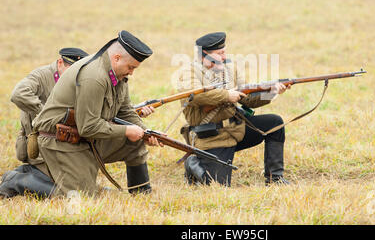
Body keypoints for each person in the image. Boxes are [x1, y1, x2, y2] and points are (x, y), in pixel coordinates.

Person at [26, 31, 159, 197]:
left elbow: (125, 111)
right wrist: (127, 131)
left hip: (83, 138)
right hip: (60, 140)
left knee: (135, 142)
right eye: (130, 67)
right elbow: (87, 127)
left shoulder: (117, 74)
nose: (132, 72)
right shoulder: (94, 76)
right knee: (82, 196)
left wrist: (144, 132)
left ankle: (141, 194)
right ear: (117, 58)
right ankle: (22, 179)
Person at [178, 32, 291, 186]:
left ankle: (275, 178)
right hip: (212, 136)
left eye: (224, 52)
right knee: (217, 185)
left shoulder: (230, 68)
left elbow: (248, 99)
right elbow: (195, 96)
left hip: (236, 129)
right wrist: (226, 95)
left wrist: (272, 92)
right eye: (220, 53)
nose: (224, 57)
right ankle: (193, 163)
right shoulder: (188, 72)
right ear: (205, 54)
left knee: (274, 123)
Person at [0, 48, 88, 199]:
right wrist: (46, 115)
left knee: (82, 187)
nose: (74, 76)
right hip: (40, 145)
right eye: (71, 70)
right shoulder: (41, 76)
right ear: (60, 63)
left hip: (62, 144)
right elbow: (18, 94)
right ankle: (16, 181)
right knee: (69, 194)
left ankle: (25, 173)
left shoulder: (76, 82)